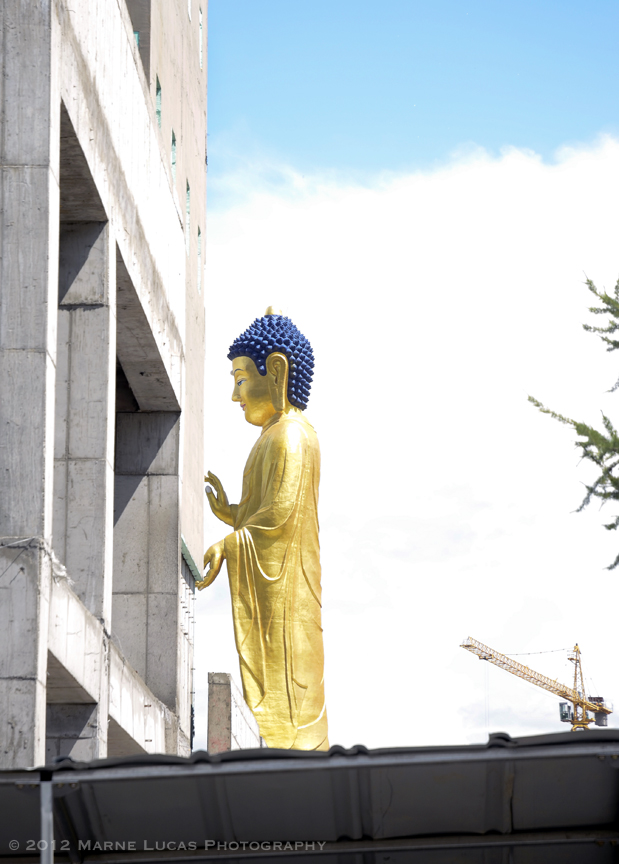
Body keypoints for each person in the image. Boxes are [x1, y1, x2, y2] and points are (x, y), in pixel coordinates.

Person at [197, 309, 329, 751]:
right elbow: (266, 512)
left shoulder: (292, 436)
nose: (234, 394)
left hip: (289, 593)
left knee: (289, 687)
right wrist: (232, 514)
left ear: (276, 370)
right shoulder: (273, 436)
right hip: (279, 578)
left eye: (240, 378)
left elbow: (279, 521)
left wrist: (231, 543)